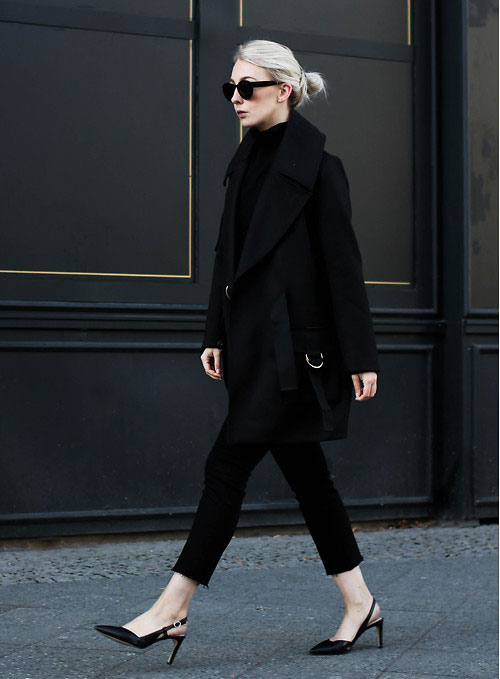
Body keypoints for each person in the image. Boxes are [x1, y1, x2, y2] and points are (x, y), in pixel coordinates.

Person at [94, 39, 383, 664]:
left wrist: (361, 356)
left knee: (226, 469)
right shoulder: (245, 160)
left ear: (283, 89)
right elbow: (227, 258)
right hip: (252, 347)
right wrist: (214, 334)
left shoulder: (319, 168)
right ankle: (361, 602)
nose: (235, 97)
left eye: (247, 87)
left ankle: (171, 609)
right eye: (230, 87)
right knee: (310, 481)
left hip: (293, 357)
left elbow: (343, 269)